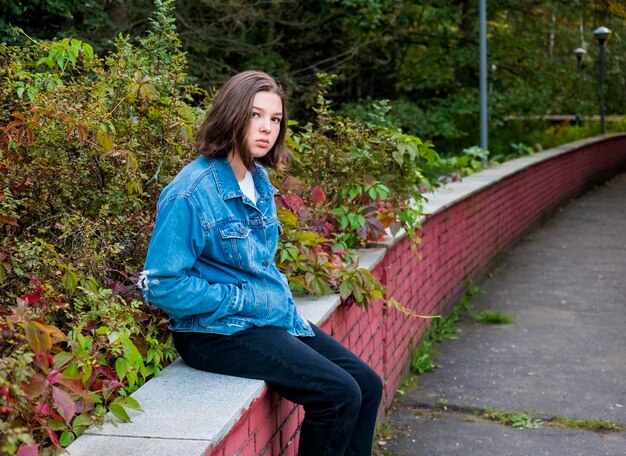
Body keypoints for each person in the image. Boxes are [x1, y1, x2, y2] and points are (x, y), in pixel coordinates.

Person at [140, 70, 383, 455]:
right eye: (256, 115)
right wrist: (238, 300)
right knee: (336, 395)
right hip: (213, 333)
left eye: (274, 119)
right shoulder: (190, 192)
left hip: (264, 318)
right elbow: (162, 284)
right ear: (232, 114)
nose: (267, 128)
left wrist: (269, 302)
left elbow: (257, 263)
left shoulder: (257, 179)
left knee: (367, 386)